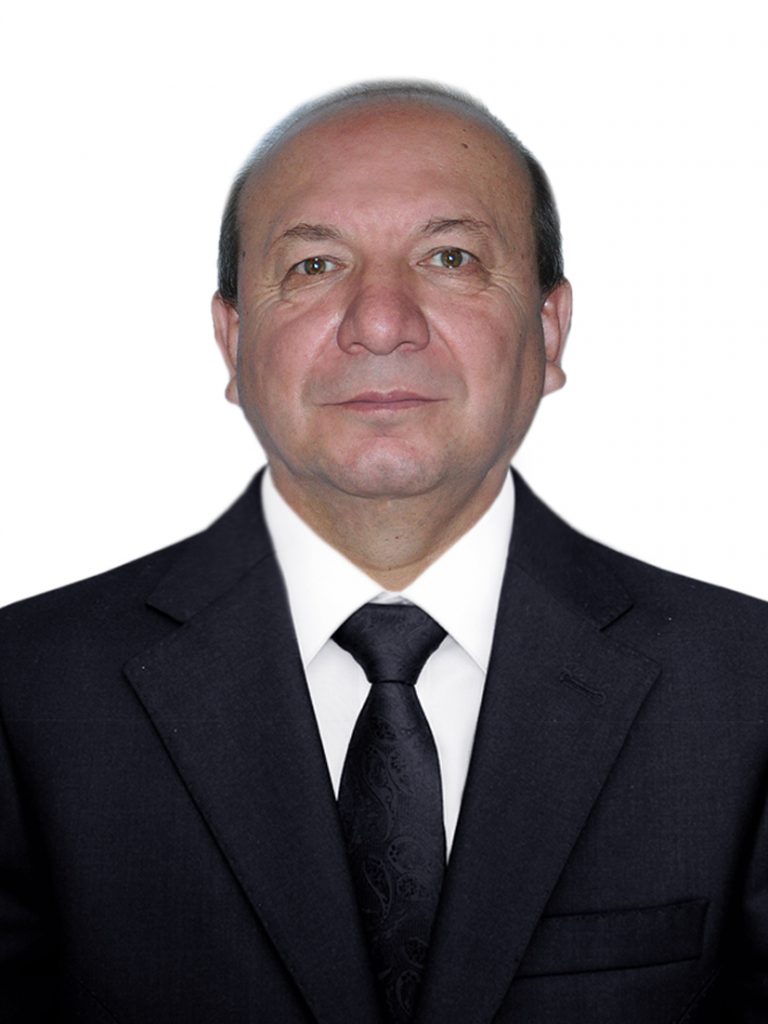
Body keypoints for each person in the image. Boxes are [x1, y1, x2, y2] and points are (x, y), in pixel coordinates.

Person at [1, 81, 766, 1024]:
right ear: (233, 340)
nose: (381, 320)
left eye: (451, 257)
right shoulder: (28, 693)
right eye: (315, 264)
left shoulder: (745, 692)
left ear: (549, 328)